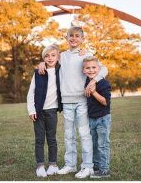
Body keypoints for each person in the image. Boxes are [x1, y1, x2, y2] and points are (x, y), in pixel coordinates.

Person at [38, 26, 107, 178]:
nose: (74, 38)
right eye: (71, 35)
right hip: (66, 102)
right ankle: (70, 164)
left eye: (77, 36)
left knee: (84, 134)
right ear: (66, 38)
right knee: (68, 135)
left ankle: (87, 166)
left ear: (82, 39)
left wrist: (93, 81)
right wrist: (42, 64)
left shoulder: (86, 54)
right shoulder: (62, 56)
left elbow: (104, 69)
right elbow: (50, 61)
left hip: (82, 101)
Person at [26, 45, 62, 177]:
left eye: (53, 55)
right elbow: (31, 93)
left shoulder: (61, 70)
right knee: (39, 139)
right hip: (39, 111)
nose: (50, 58)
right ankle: (40, 166)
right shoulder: (38, 72)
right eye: (47, 56)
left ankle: (53, 165)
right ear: (43, 58)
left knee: (52, 138)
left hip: (52, 110)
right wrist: (31, 110)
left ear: (58, 57)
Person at [83, 56, 112, 178]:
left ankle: (104, 170)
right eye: (88, 68)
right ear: (83, 70)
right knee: (94, 144)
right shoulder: (86, 81)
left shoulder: (103, 83)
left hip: (102, 119)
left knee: (102, 144)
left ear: (99, 69)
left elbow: (105, 102)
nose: (91, 70)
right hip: (92, 118)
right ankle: (96, 166)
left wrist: (93, 92)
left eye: (94, 67)